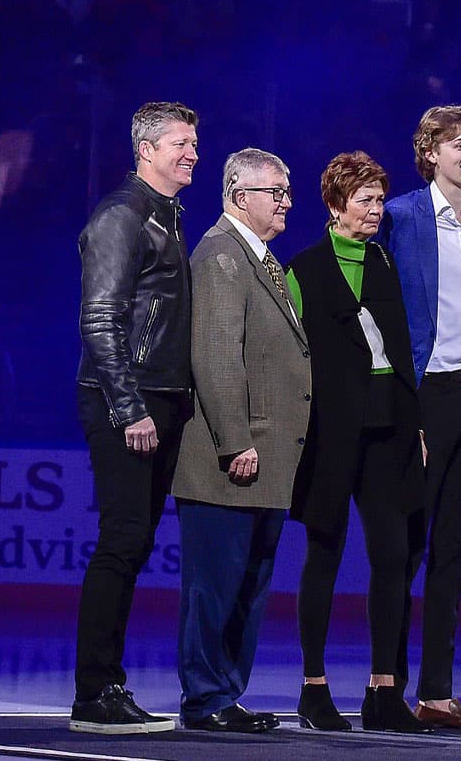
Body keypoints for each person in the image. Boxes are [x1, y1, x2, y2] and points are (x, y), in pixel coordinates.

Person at [284, 151, 428, 734]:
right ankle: (314, 688)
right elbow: (293, 359)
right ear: (336, 204)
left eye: (378, 199)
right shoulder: (304, 269)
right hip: (329, 428)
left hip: (388, 425)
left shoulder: (384, 263)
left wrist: (414, 424)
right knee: (325, 552)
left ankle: (383, 689)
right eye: (365, 200)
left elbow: (400, 354)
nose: (376, 210)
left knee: (392, 554)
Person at [70, 101, 199, 735]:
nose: (191, 152)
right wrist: (128, 405)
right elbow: (100, 318)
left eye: (193, 143)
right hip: (128, 398)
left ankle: (106, 686)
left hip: (160, 397)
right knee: (122, 542)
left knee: (134, 542)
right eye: (179, 142)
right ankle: (94, 693)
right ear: (146, 149)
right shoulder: (122, 216)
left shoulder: (164, 217)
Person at [377, 106, 461, 731]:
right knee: (405, 545)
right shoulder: (402, 216)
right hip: (426, 395)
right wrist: (406, 408)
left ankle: (437, 691)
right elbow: (388, 312)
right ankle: (388, 687)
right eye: (456, 144)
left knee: (454, 549)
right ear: (428, 152)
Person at [172, 149, 310, 734]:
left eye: (286, 191)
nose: (284, 201)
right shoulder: (220, 255)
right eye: (274, 191)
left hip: (268, 459)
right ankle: (206, 698)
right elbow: (215, 353)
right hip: (231, 460)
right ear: (237, 194)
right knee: (217, 586)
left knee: (248, 587)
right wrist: (235, 441)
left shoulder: (261, 258)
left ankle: (226, 694)